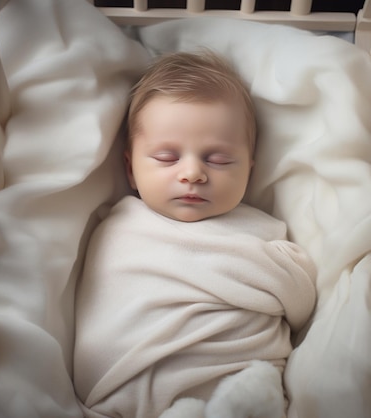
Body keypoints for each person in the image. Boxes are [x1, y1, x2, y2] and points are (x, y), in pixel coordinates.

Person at [73, 51, 317, 418]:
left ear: (249, 171)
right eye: (167, 157)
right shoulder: (117, 229)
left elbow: (300, 296)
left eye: (217, 159)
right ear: (131, 169)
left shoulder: (263, 230)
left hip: (234, 379)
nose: (192, 173)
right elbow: (105, 311)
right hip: (130, 387)